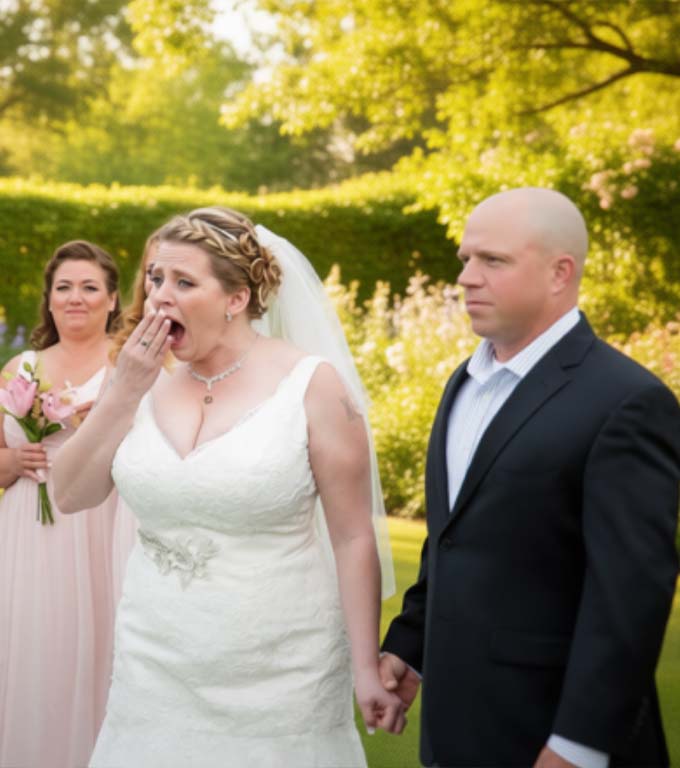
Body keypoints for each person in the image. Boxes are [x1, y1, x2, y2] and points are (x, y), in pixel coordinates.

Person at [53, 207, 402, 767]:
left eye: (185, 282)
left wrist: (365, 667)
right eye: (156, 278)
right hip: (154, 662)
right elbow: (69, 495)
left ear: (237, 298)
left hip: (282, 669)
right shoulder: (140, 382)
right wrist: (122, 392)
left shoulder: (312, 386)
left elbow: (353, 537)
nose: (160, 296)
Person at [379, 187, 680, 768]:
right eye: (466, 258)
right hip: (456, 729)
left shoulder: (628, 402)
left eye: (492, 261)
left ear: (559, 273)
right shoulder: (462, 382)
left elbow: (630, 597)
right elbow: (454, 538)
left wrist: (577, 747)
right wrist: (410, 648)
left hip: (549, 736)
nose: (466, 277)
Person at [0, 241, 126, 768]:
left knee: (101, 651)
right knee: (35, 652)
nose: (76, 298)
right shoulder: (20, 367)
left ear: (113, 299)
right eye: (64, 287)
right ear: (49, 301)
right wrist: (10, 463)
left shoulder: (131, 365)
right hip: (30, 528)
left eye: (90, 287)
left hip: (105, 524)